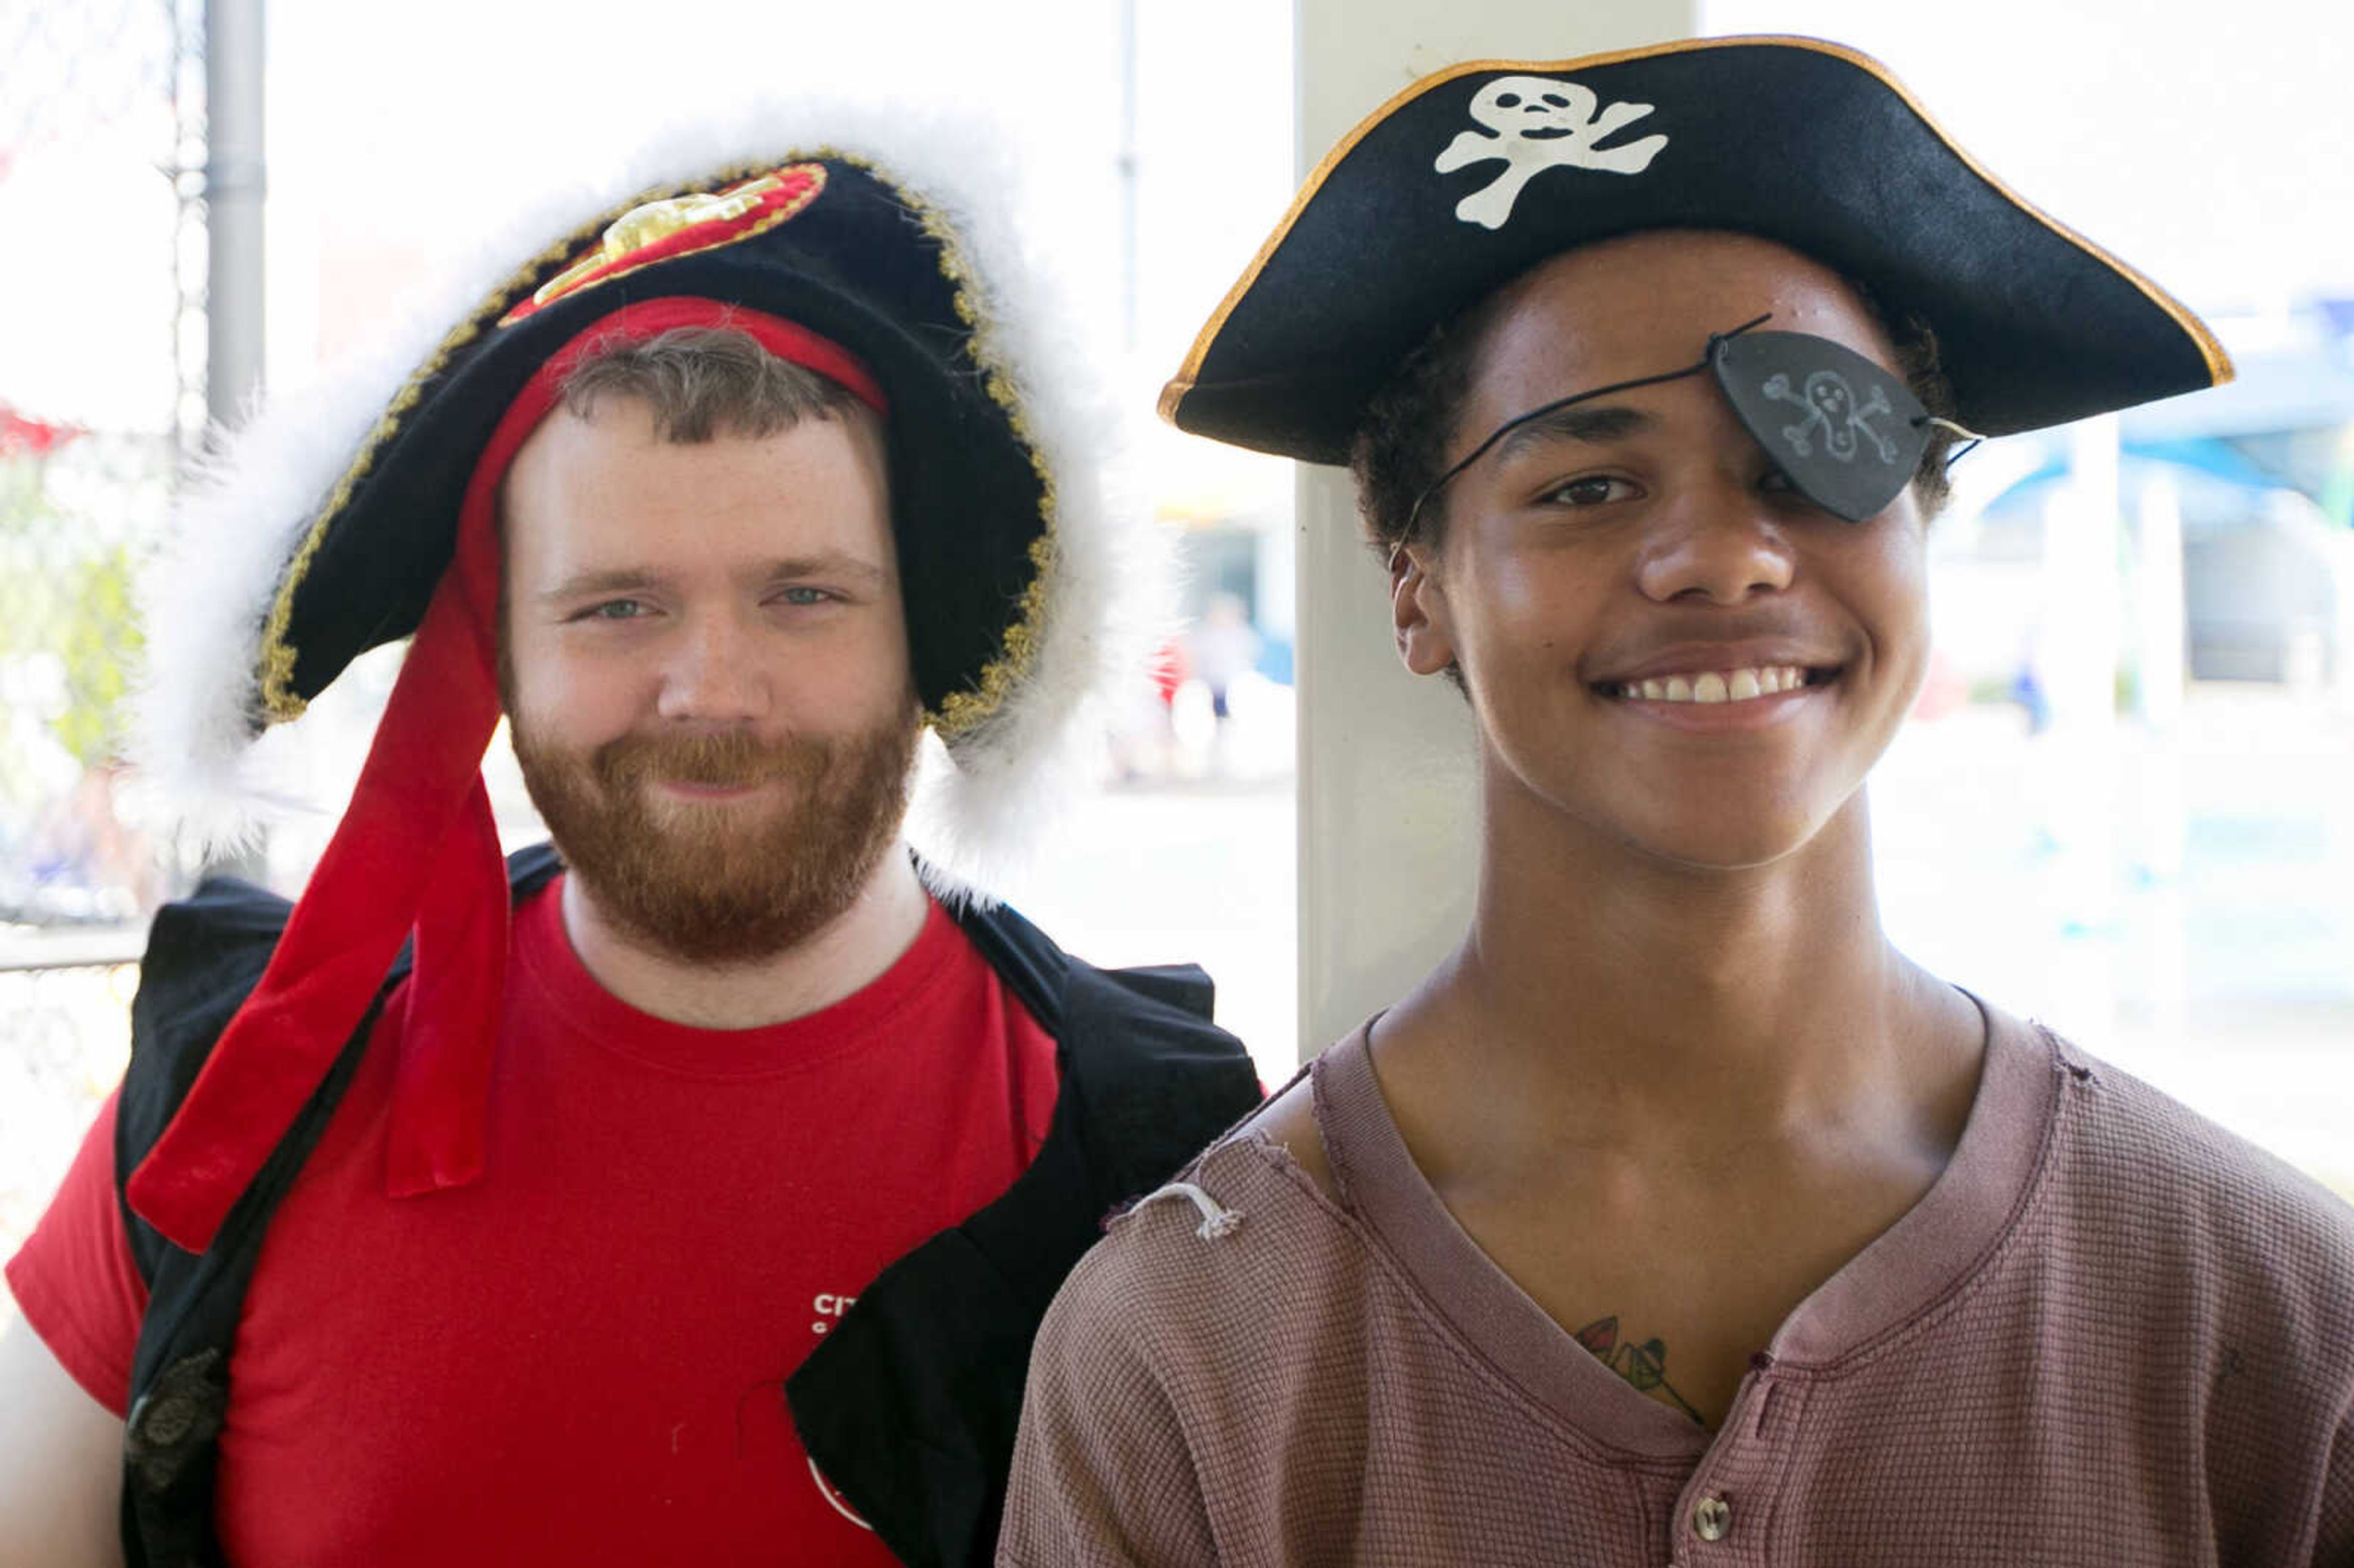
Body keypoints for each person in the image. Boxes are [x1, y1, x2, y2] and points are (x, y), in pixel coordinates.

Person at [1001, 37, 2354, 1566]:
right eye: (1586, 486)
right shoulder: (1193, 1362)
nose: (1724, 557)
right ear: (1418, 590)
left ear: (1923, 524)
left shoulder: (2266, 1328)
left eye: (1812, 461)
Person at [0, 131, 1259, 1568]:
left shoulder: (1174, 1171)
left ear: (926, 635)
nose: (712, 687)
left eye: (803, 595)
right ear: (497, 651)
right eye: (617, 607)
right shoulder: (239, 1091)